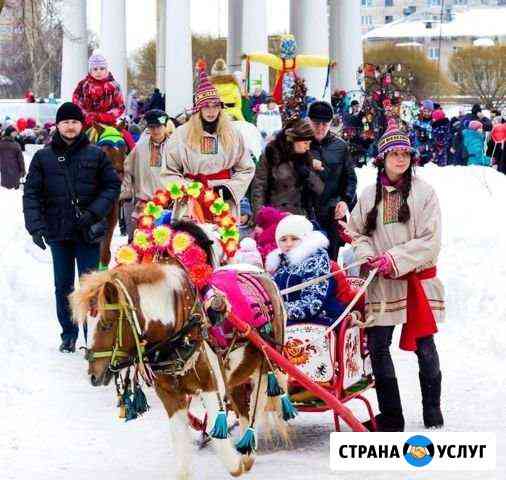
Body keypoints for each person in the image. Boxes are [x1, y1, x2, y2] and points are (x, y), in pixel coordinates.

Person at [347, 128, 445, 431]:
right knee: (377, 346)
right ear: (382, 158)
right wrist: (366, 257)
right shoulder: (368, 195)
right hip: (382, 282)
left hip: (416, 278)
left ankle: (433, 412)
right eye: (394, 154)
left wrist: (394, 258)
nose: (400, 159)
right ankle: (392, 416)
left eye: (404, 154)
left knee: (424, 345)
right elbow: (356, 232)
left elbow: (431, 240)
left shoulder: (425, 192)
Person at [23, 102, 121, 353]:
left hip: (87, 232)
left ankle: (93, 335)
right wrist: (35, 226)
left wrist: (93, 213)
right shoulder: (43, 157)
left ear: (81, 125)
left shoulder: (96, 154)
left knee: (90, 286)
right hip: (58, 232)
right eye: (65, 122)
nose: (70, 126)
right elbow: (32, 193)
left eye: (74, 122)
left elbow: (111, 186)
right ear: (58, 125)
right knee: (63, 286)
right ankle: (68, 333)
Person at [162, 68, 255, 219]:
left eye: (215, 106)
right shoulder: (182, 134)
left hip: (223, 201)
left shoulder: (233, 134)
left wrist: (230, 188)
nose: (211, 111)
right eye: (206, 106)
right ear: (199, 109)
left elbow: (247, 168)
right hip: (191, 201)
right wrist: (185, 188)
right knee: (191, 239)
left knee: (223, 240)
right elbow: (169, 171)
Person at [266, 215, 345, 326]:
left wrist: (276, 311)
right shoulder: (281, 264)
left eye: (294, 238)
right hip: (287, 320)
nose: (288, 244)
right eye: (283, 239)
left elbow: (313, 302)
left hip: (319, 318)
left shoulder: (316, 260)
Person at [307, 101, 357, 260]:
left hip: (332, 213)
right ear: (309, 121)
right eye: (316, 123)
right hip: (306, 214)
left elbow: (350, 179)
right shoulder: (299, 144)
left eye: (325, 123)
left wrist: (345, 201)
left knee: (331, 263)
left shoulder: (340, 146)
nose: (320, 127)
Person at [120, 109, 175, 240]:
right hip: (145, 205)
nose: (156, 130)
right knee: (143, 245)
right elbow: (127, 169)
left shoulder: (175, 146)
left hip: (171, 204)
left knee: (169, 244)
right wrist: (126, 192)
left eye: (159, 126)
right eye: (152, 127)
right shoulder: (140, 147)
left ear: (165, 126)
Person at [251, 119, 323, 217]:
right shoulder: (271, 154)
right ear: (293, 140)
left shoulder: (307, 157)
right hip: (275, 214)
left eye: (309, 143)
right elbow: (259, 187)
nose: (308, 148)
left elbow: (320, 190)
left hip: (300, 216)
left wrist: (308, 174)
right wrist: (260, 218)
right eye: (305, 143)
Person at [72, 51, 126, 129]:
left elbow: (120, 106)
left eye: (102, 68)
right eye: (95, 69)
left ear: (106, 69)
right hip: (86, 123)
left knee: (125, 137)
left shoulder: (114, 86)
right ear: (90, 71)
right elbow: (76, 102)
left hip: (108, 123)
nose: (98, 71)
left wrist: (104, 116)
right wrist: (87, 115)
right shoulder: (83, 85)